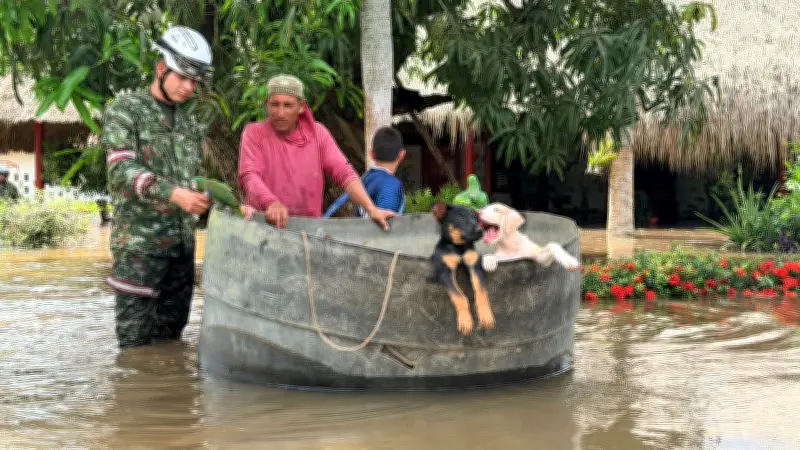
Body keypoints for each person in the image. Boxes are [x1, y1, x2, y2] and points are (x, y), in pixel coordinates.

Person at [101, 25, 215, 348]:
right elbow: (121, 168)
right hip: (140, 250)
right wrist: (174, 194)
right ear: (161, 69)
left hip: (181, 251)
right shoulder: (126, 111)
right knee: (133, 350)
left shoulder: (190, 123)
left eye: (195, 81)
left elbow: (194, 177)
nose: (189, 87)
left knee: (170, 347)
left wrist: (217, 199)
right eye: (182, 77)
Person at [237, 74, 396, 230]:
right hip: (263, 226)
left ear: (301, 107)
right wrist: (271, 203)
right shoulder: (254, 133)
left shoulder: (318, 133)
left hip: (309, 230)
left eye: (288, 105)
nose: (280, 113)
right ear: (266, 104)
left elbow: (344, 172)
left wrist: (372, 209)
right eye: (274, 104)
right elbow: (249, 175)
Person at [323, 126, 407, 218]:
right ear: (402, 155)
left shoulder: (365, 179)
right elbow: (387, 224)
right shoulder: (390, 184)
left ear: (372, 154)